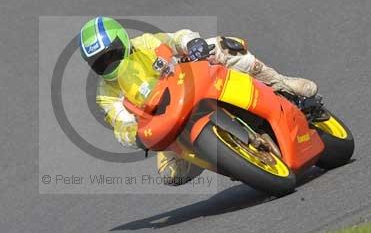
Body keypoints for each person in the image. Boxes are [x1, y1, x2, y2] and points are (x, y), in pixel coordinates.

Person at [79, 16, 318, 185]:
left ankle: (282, 85)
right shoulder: (106, 94)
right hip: (169, 125)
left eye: (111, 54)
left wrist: (192, 43)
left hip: (193, 84)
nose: (109, 63)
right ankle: (233, 162)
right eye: (100, 61)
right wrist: (135, 136)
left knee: (221, 47)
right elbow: (121, 126)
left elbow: (177, 39)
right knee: (172, 175)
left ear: (123, 40)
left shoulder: (145, 44)